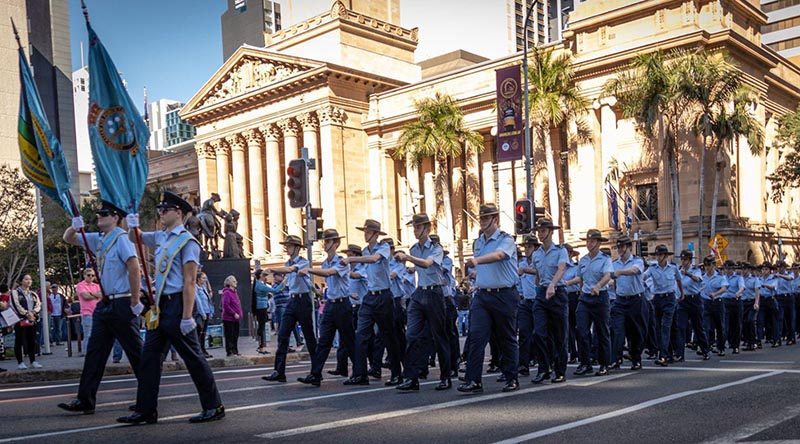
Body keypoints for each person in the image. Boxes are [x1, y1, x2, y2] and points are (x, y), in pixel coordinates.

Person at [118, 191, 224, 425]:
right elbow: (135, 237)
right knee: (149, 359)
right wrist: (131, 221)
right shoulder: (162, 237)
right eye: (160, 210)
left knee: (193, 358)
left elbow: (189, 282)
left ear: (179, 213)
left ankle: (213, 406)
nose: (161, 213)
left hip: (178, 305)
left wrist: (187, 316)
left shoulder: (188, 241)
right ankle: (146, 410)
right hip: (161, 306)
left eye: (165, 210)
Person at [58, 201, 144, 414]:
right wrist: (74, 226)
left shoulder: (122, 238)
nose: (99, 216)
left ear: (115, 217)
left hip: (122, 301)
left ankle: (147, 398)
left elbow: (134, 267)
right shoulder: (100, 239)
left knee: (136, 354)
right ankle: (85, 400)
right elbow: (68, 239)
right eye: (99, 213)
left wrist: (135, 300)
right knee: (94, 354)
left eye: (104, 214)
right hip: (105, 304)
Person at [458, 204, 520, 394]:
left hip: (504, 294)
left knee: (506, 337)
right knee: (476, 337)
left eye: (487, 218)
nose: (483, 222)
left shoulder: (506, 239)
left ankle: (511, 378)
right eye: (482, 218)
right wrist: (475, 274)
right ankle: (473, 380)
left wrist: (477, 261)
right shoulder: (478, 243)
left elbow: (499, 255)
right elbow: (486, 266)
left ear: (495, 220)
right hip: (483, 295)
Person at [342, 219, 404, 387]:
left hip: (384, 296)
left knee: (388, 336)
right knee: (361, 335)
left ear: (376, 234)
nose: (366, 234)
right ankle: (360, 374)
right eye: (365, 231)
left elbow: (374, 259)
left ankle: (397, 374)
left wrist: (350, 261)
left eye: (369, 232)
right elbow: (362, 271)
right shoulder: (364, 251)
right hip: (370, 296)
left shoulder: (382, 248)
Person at [393, 213, 451, 392]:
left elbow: (427, 264)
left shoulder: (436, 248)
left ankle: (446, 376)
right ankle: (411, 378)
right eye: (414, 227)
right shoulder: (414, 248)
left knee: (439, 336)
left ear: (427, 228)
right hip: (420, 293)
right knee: (412, 335)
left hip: (434, 292)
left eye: (418, 227)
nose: (415, 231)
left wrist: (408, 259)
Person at [297, 229, 355, 387]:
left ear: (336, 244)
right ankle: (315, 374)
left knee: (349, 341)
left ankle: (359, 372)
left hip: (343, 304)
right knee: (323, 342)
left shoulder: (341, 262)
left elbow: (329, 273)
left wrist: (309, 269)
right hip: (331, 304)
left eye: (328, 241)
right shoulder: (324, 262)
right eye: (324, 241)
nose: (325, 244)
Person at [262, 235, 317, 382]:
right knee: (282, 335)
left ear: (297, 248)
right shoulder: (287, 262)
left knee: (309, 336)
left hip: (303, 301)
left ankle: (316, 373)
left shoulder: (304, 262)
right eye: (286, 245)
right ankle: (279, 372)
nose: (287, 248)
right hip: (292, 301)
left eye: (290, 246)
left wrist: (271, 269)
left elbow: (292, 269)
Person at [566, 229, 613, 377]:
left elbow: (608, 276)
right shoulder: (584, 260)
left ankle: (604, 363)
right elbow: (580, 277)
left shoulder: (605, 259)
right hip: (585, 298)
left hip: (600, 297)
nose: (589, 244)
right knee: (581, 330)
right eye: (587, 241)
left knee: (602, 331)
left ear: (599, 243)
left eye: (592, 241)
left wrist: (598, 286)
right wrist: (566, 283)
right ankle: (585, 363)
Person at [530, 218, 569, 384]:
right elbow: (538, 274)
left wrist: (552, 285)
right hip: (541, 294)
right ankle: (544, 368)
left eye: (544, 231)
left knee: (560, 334)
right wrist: (540, 286)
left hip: (557, 293)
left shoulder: (561, 251)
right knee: (538, 333)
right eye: (539, 231)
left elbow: (561, 269)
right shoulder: (537, 254)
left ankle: (560, 370)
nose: (541, 234)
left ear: (551, 232)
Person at [610, 235, 647, 371]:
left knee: (636, 331)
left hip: (636, 300)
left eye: (622, 246)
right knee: (617, 329)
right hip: (620, 300)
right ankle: (616, 358)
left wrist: (620, 272)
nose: (619, 249)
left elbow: (635, 271)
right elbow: (610, 278)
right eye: (618, 246)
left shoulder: (637, 261)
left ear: (629, 247)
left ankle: (636, 358)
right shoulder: (614, 263)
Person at [642, 245, 683, 366]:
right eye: (657, 255)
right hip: (657, 299)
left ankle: (663, 355)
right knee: (658, 329)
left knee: (666, 326)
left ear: (665, 256)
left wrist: (682, 293)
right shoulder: (652, 269)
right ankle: (667, 353)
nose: (658, 257)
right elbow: (643, 277)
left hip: (670, 298)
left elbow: (678, 280)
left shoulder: (673, 268)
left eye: (660, 255)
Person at [516, 234, 539, 378]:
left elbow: (541, 272)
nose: (526, 250)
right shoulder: (522, 263)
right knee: (524, 333)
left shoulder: (539, 261)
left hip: (538, 301)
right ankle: (523, 364)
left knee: (540, 333)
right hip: (525, 301)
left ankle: (542, 361)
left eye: (529, 247)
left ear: (535, 248)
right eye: (525, 247)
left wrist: (526, 271)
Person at [10, 274, 42, 369]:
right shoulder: (15, 292)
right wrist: (26, 313)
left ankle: (33, 361)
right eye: (26, 279)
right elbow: (16, 305)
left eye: (30, 279)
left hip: (32, 320)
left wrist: (33, 312)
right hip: (20, 320)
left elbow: (38, 305)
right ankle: (20, 362)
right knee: (19, 341)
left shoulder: (33, 294)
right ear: (21, 281)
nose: (28, 281)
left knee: (31, 340)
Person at [701, 255, 729, 356]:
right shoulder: (702, 277)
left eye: (709, 265)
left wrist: (715, 294)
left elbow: (724, 288)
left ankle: (720, 347)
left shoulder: (720, 277)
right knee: (705, 326)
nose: (707, 268)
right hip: (706, 303)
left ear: (713, 265)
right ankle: (705, 347)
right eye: (705, 265)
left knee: (720, 326)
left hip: (717, 302)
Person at [253, 269, 283, 354]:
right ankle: (261, 346)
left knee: (261, 327)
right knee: (261, 327)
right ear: (260, 276)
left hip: (261, 307)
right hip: (261, 308)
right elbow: (275, 290)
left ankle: (261, 346)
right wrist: (283, 282)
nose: (265, 277)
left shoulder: (259, 284)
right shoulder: (260, 285)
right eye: (264, 276)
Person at [75, 269, 102, 353]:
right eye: (89, 275)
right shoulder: (80, 285)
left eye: (93, 275)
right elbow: (85, 296)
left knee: (97, 335)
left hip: (97, 313)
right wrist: (96, 295)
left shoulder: (97, 286)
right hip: (87, 313)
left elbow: (101, 296)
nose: (91, 277)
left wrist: (90, 294)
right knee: (88, 335)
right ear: (84, 275)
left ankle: (95, 352)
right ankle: (87, 353)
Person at [721, 261, 744, 354]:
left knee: (737, 324)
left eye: (729, 268)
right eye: (726, 269)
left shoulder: (738, 277)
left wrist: (738, 292)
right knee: (725, 324)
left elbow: (742, 287)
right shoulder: (722, 278)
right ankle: (722, 345)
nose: (728, 270)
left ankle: (736, 345)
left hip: (736, 301)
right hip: (725, 301)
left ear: (733, 269)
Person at [741, 264, 761, 351]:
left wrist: (756, 303)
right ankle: (748, 342)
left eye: (745, 269)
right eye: (742, 269)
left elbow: (757, 292)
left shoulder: (754, 279)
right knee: (744, 322)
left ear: (749, 270)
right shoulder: (740, 279)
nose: (743, 271)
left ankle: (754, 341)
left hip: (752, 302)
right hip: (743, 302)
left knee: (751, 320)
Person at [221, 276, 243, 357]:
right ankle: (229, 351)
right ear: (229, 283)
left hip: (236, 318)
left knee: (235, 335)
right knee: (229, 335)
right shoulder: (226, 292)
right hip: (229, 318)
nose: (236, 282)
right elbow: (225, 305)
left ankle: (235, 350)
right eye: (234, 281)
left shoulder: (235, 292)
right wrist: (234, 313)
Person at [195, 272, 213, 358]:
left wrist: (210, 312)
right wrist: (202, 313)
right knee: (200, 332)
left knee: (204, 333)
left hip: (207, 311)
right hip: (201, 313)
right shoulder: (196, 288)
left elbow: (208, 300)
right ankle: (199, 351)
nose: (205, 280)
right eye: (203, 278)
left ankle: (203, 349)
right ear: (198, 279)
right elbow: (198, 302)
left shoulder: (203, 287)